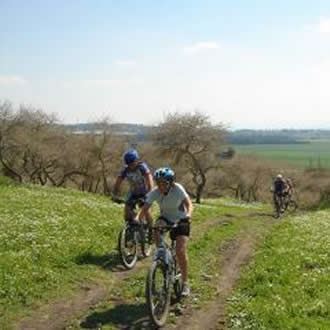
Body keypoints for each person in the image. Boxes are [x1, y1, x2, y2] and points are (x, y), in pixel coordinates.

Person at [138, 167, 193, 297]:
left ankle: (185, 283)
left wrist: (188, 216)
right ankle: (162, 257)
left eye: (164, 183)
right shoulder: (155, 192)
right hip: (166, 218)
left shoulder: (178, 189)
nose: (161, 186)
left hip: (181, 220)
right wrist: (138, 221)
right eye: (158, 182)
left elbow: (189, 204)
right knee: (157, 227)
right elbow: (145, 209)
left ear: (171, 183)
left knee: (180, 251)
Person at [112, 149, 154, 227]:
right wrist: (114, 193)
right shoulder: (126, 170)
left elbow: (149, 178)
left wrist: (150, 191)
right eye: (128, 163)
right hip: (133, 193)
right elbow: (118, 181)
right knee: (127, 214)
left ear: (136, 160)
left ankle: (151, 230)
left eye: (132, 162)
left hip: (144, 193)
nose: (131, 165)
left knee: (146, 212)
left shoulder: (142, 167)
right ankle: (136, 224)